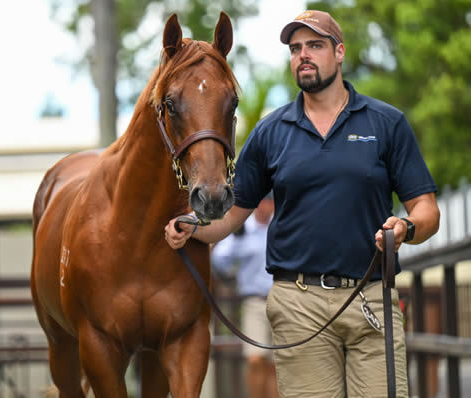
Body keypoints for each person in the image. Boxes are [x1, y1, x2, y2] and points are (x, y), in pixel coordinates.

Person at [165, 9, 440, 398]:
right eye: (295, 49)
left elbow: (427, 210)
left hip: (371, 299)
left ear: (339, 52)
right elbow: (229, 218)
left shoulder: (386, 123)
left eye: (314, 45)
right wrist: (189, 226)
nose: (303, 55)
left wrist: (405, 227)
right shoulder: (270, 132)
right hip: (298, 305)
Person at [210, 193, 278, 398]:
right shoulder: (243, 231)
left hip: (281, 300)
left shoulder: (280, 226)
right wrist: (233, 272)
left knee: (277, 364)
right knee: (255, 359)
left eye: (268, 202)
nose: (264, 207)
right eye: (261, 203)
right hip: (254, 302)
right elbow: (220, 259)